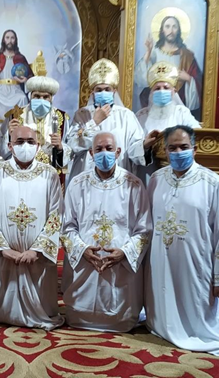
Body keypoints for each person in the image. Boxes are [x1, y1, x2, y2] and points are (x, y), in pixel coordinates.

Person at [145, 125, 219, 356]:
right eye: (172, 148)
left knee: (198, 307)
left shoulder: (213, 183)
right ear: (165, 151)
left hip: (197, 261)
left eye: (184, 147)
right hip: (162, 258)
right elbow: (147, 222)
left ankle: (201, 330)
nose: (178, 152)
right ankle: (164, 325)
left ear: (194, 149)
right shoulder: (156, 179)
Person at [63, 132, 152, 332]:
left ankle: (122, 316)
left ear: (118, 152)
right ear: (91, 153)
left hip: (120, 264)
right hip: (86, 262)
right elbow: (67, 226)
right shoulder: (77, 184)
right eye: (99, 149)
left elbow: (144, 229)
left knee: (120, 304)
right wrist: (82, 250)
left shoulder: (134, 185)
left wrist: (125, 253)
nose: (104, 153)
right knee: (81, 305)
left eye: (109, 149)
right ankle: (82, 313)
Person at [0, 126, 65, 331]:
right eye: (19, 142)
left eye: (30, 142)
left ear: (38, 146)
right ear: (10, 146)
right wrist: (2, 248)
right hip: (4, 255)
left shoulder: (49, 174)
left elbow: (57, 214)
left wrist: (37, 250)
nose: (25, 146)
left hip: (37, 257)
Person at [66, 59, 146, 184]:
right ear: (92, 92)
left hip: (118, 177)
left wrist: (145, 146)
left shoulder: (126, 115)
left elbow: (133, 148)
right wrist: (94, 122)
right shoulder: (82, 114)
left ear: (114, 91)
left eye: (107, 89)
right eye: (99, 90)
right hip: (87, 178)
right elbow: (72, 145)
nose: (103, 92)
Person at [136, 62, 201, 184]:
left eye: (166, 88)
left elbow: (197, 134)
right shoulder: (141, 116)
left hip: (178, 169)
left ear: (174, 91)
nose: (162, 91)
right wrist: (144, 145)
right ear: (151, 92)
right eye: (157, 88)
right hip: (149, 170)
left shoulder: (181, 112)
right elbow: (132, 146)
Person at [0, 76, 71, 170]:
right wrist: (9, 135)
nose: (41, 100)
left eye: (46, 97)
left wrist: (60, 147)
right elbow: (2, 150)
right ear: (30, 96)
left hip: (51, 172)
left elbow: (70, 148)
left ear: (51, 98)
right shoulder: (15, 115)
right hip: (23, 171)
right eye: (36, 96)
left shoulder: (62, 117)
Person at [136, 16, 203, 117]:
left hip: (179, 103)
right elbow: (141, 79)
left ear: (178, 30)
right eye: (167, 26)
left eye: (174, 27)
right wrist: (148, 51)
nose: (171, 31)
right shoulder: (154, 53)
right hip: (156, 104)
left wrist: (189, 79)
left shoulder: (187, 55)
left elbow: (200, 82)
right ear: (162, 30)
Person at [0, 30, 34, 152]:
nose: (10, 40)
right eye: (7, 37)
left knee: (22, 99)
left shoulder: (21, 58)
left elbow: (31, 78)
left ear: (15, 40)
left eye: (12, 38)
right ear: (3, 40)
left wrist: (25, 80)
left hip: (15, 89)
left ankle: (19, 135)